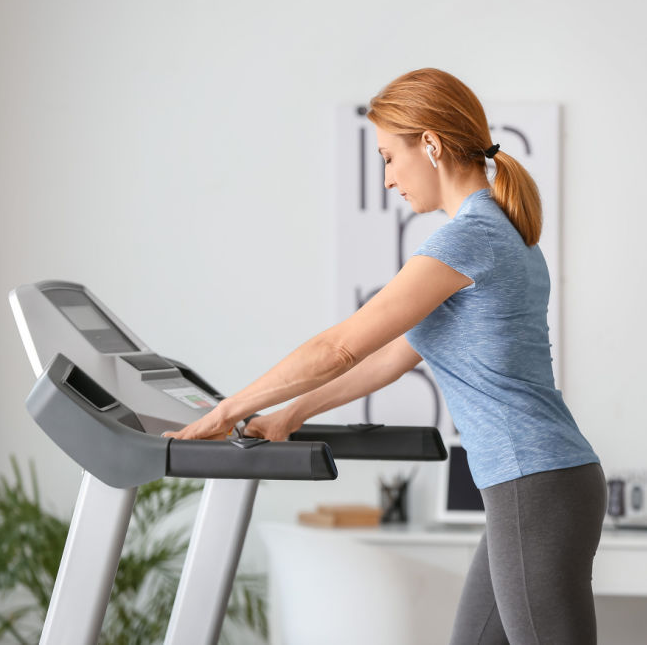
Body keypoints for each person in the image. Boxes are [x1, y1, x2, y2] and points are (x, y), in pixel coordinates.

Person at [164, 67, 607, 644]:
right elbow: (392, 355)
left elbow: (341, 346)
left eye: (389, 157)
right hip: (536, 483)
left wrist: (227, 411)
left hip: (534, 483)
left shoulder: (469, 237)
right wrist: (291, 414)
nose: (388, 179)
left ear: (431, 144)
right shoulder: (492, 232)